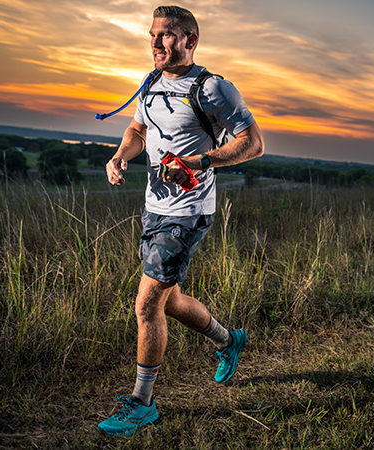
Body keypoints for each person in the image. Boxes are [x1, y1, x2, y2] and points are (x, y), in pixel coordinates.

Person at [99, 5, 264, 437]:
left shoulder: (213, 89)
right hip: (155, 205)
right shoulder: (152, 81)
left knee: (147, 304)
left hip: (188, 212)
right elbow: (138, 132)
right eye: (153, 34)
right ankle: (229, 341)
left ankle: (142, 402)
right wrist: (120, 156)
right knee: (168, 300)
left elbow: (255, 143)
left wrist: (200, 160)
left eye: (167, 35)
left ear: (190, 41)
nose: (156, 42)